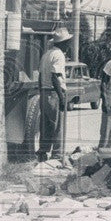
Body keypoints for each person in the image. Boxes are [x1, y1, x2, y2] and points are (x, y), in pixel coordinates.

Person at [37, 26, 72, 162]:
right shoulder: (59, 55)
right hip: (54, 93)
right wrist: (62, 98)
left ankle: (42, 153)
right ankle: (57, 156)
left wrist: (42, 93)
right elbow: (55, 77)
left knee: (45, 126)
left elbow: (40, 77)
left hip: (45, 92)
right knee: (58, 127)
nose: (69, 44)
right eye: (68, 42)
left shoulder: (46, 54)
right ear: (63, 43)